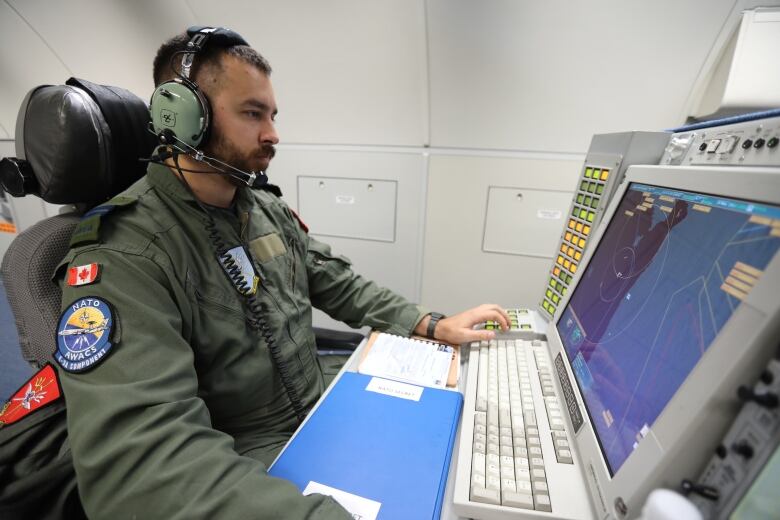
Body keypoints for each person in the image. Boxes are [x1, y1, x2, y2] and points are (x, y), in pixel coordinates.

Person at [55, 28, 510, 519]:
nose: (272, 133)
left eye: (272, 115)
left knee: (464, 432)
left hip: (320, 400)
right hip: (245, 453)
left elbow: (334, 280)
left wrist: (430, 323)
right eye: (253, 113)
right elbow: (144, 463)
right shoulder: (128, 255)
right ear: (184, 118)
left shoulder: (260, 207)